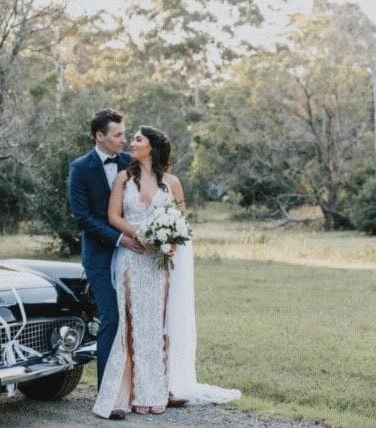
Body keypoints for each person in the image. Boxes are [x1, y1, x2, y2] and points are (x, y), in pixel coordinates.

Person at [93, 125, 241, 418]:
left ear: (152, 147)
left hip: (157, 264)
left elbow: (181, 223)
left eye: (137, 139)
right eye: (131, 138)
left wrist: (169, 242)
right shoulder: (124, 177)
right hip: (131, 258)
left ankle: (152, 393)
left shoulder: (172, 183)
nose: (131, 143)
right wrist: (141, 234)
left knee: (155, 327)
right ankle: (123, 395)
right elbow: (112, 216)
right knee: (130, 325)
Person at [68, 109, 143, 420]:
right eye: (118, 135)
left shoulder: (130, 163)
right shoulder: (80, 168)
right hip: (100, 256)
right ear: (100, 136)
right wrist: (118, 239)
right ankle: (107, 395)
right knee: (111, 319)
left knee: (135, 319)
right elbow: (82, 217)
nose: (124, 140)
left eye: (125, 135)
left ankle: (137, 389)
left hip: (133, 255)